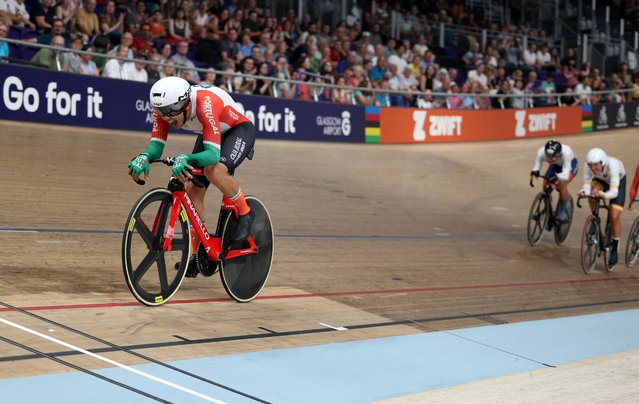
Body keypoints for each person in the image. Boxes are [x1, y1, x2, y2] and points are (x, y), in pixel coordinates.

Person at [127, 76, 256, 271]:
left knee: (214, 170)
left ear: (186, 103)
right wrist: (144, 157)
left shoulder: (205, 104)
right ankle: (198, 255)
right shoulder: (163, 110)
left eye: (171, 113)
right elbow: (156, 148)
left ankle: (246, 214)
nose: (167, 118)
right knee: (192, 191)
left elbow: (212, 155)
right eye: (162, 113)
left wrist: (185, 157)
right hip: (210, 132)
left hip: (237, 130)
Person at [578, 148, 627, 266]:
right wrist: (584, 192)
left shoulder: (613, 166)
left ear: (603, 163)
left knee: (614, 216)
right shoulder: (587, 166)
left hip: (617, 183)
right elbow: (586, 186)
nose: (592, 168)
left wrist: (604, 195)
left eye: (595, 165)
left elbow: (614, 192)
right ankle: (595, 219)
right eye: (590, 165)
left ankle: (614, 249)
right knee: (592, 193)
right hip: (600, 181)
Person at [530, 140, 578, 223]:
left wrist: (556, 179)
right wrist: (534, 175)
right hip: (556, 165)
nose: (550, 159)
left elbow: (566, 174)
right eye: (548, 156)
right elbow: (536, 167)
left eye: (553, 157)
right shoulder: (541, 152)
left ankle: (563, 208)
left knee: (561, 183)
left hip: (569, 167)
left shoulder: (567, 153)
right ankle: (548, 209)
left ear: (559, 154)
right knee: (546, 183)